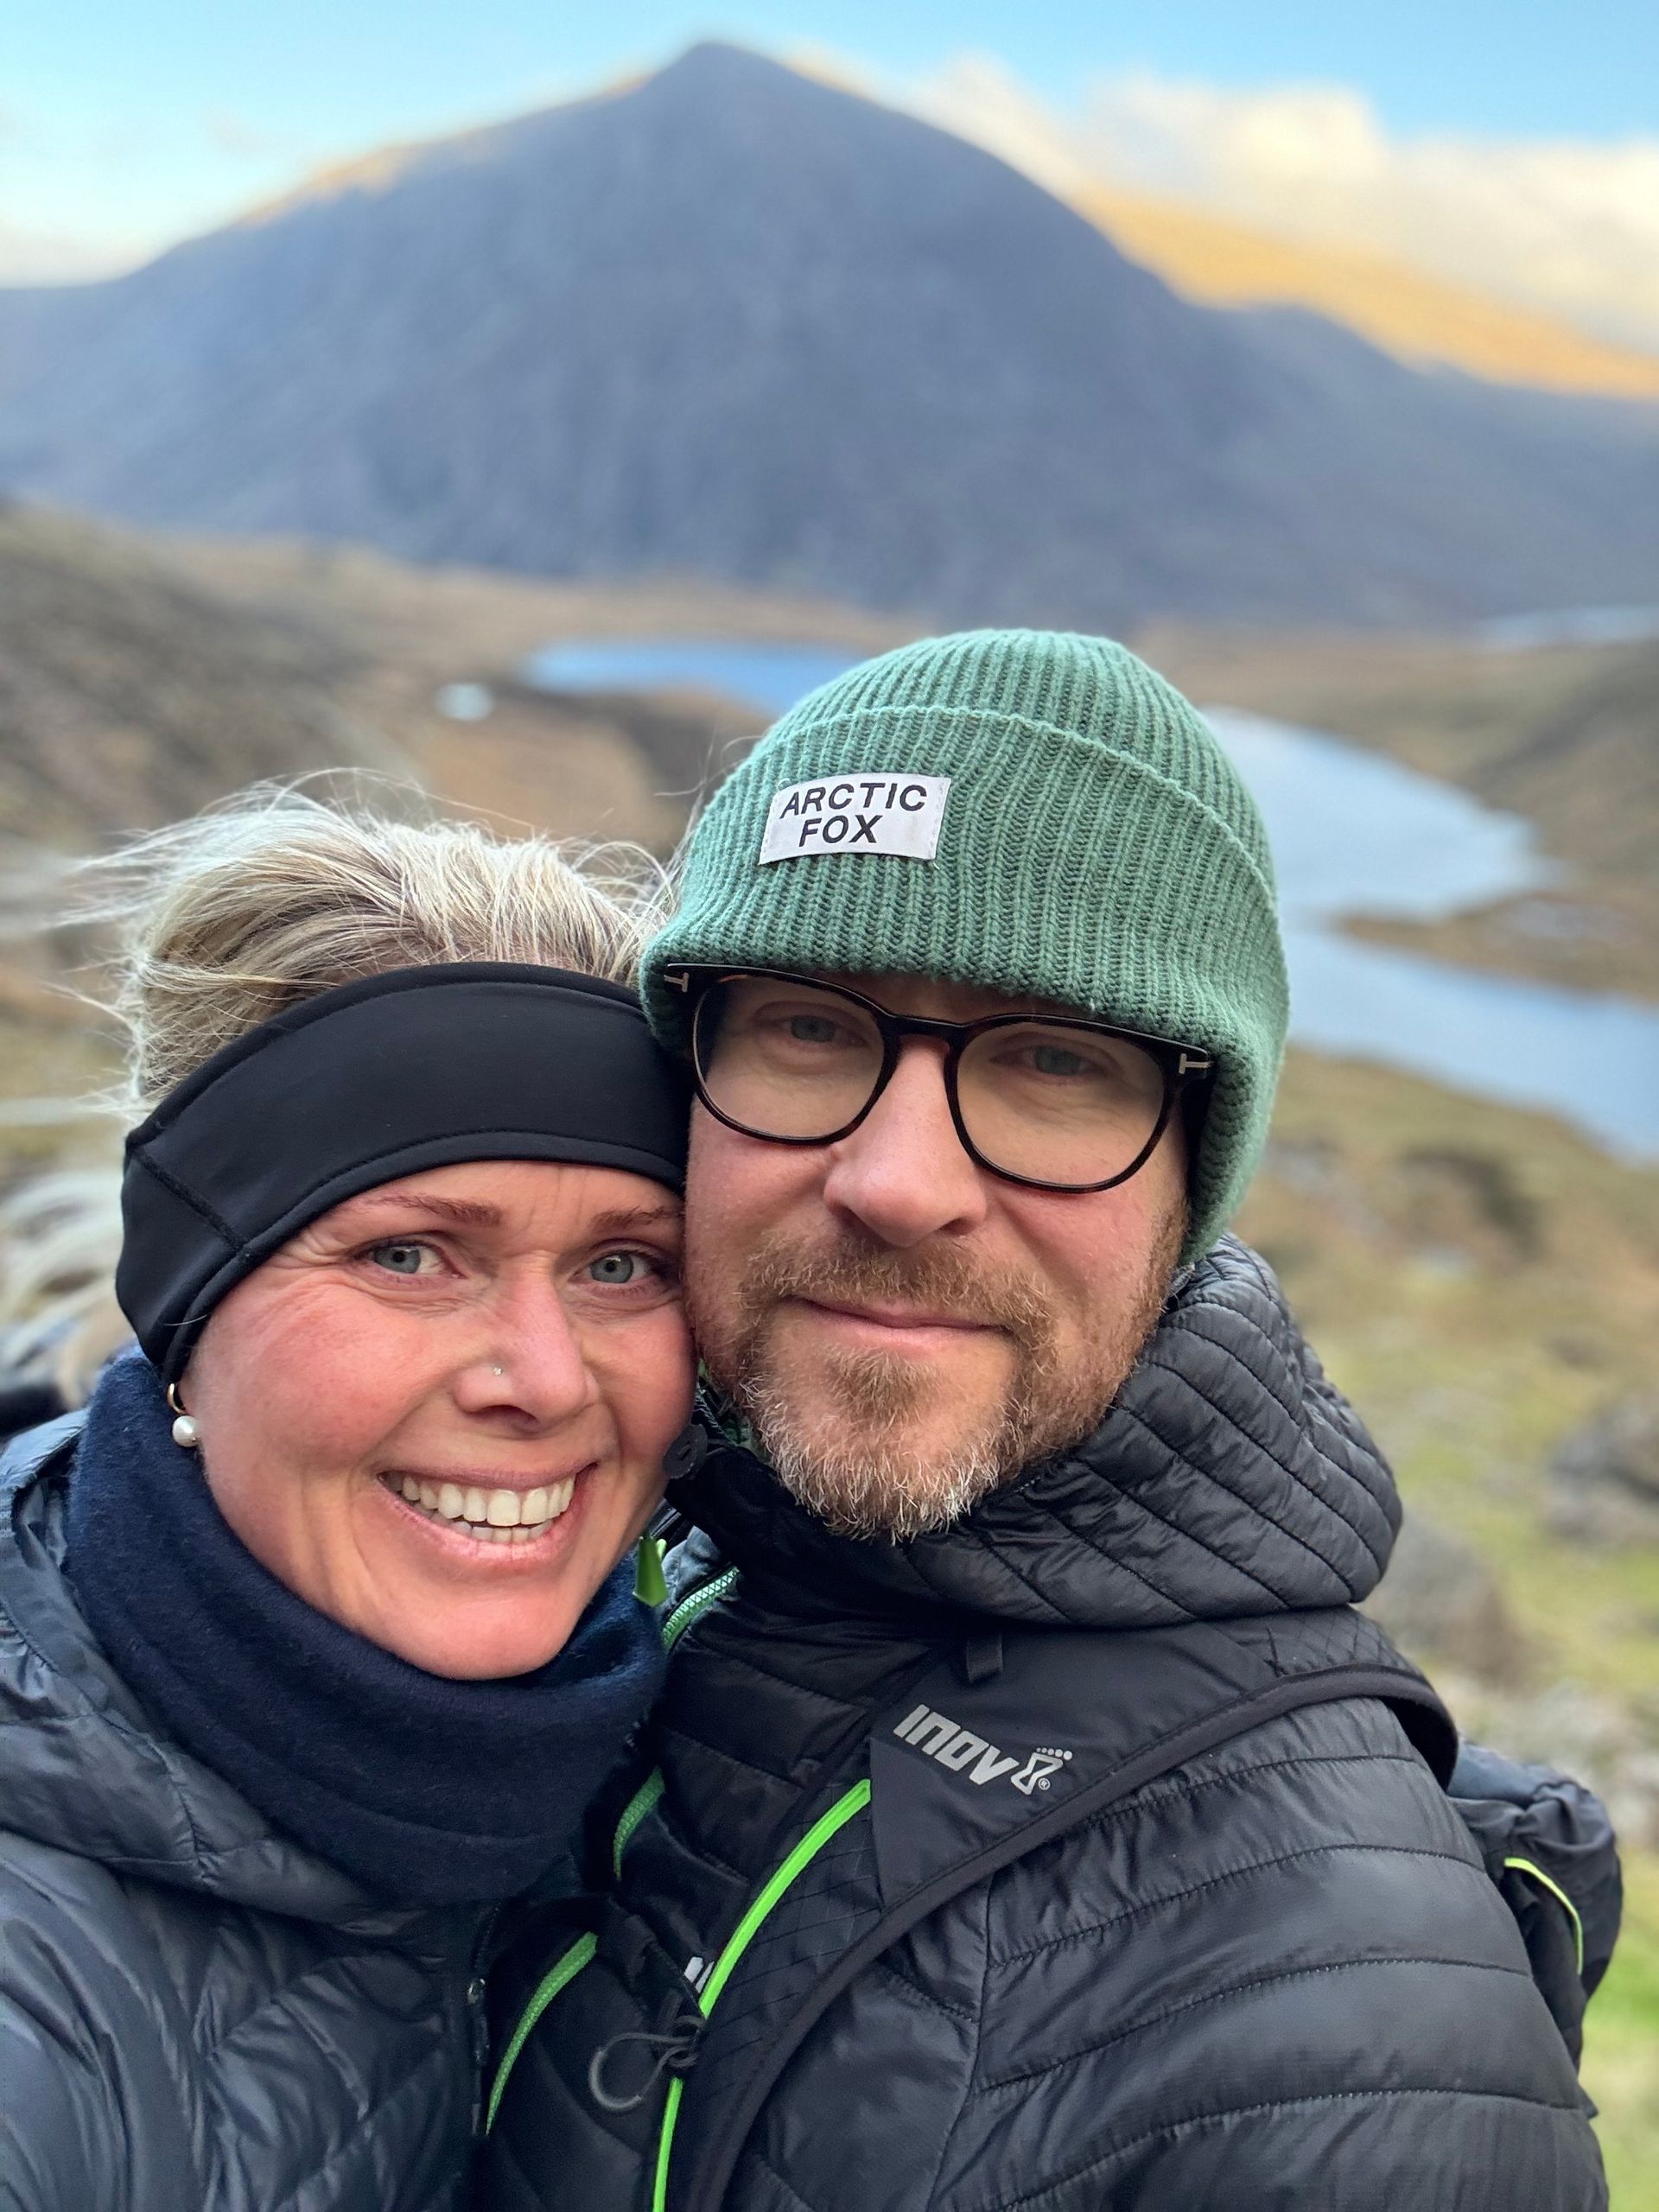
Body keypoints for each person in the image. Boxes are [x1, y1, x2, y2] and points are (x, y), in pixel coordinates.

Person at [484, 632, 1612, 2209]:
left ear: (1192, 1183)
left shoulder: (1347, 2060)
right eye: (808, 1026)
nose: (898, 1183)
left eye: (1056, 1062)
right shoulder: (590, 1564)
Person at [0, 792, 697, 2212]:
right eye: (409, 1255)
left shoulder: (684, 1747)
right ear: (186, 1305)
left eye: (623, 1266)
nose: (543, 1378)